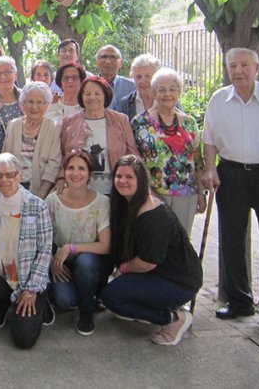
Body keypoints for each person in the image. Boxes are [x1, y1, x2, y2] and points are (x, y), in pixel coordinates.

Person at [200, 47, 259, 334]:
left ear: (256, 67)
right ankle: (239, 301)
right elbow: (209, 139)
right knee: (231, 240)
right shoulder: (219, 99)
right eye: (232, 66)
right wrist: (210, 168)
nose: (238, 71)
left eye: (243, 65)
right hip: (231, 174)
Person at [101, 156, 202, 346]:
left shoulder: (154, 215)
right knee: (118, 293)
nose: (122, 181)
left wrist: (121, 269)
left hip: (178, 281)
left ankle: (173, 319)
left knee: (112, 297)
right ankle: (145, 306)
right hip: (156, 275)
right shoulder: (126, 204)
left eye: (129, 177)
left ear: (141, 180)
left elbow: (148, 262)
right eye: (119, 176)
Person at [0, 153, 53, 349]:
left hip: (30, 280)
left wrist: (31, 290)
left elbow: (45, 250)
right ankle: (4, 304)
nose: (4, 180)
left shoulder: (37, 206)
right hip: (3, 275)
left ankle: (42, 302)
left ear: (20, 175)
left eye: (10, 174)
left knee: (23, 340)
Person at [131, 68, 205, 236]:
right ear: (154, 92)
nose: (167, 94)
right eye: (161, 89)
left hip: (186, 193)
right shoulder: (140, 122)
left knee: (180, 242)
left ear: (179, 92)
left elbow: (198, 161)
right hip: (151, 193)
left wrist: (201, 193)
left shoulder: (189, 123)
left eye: (172, 89)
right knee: (154, 244)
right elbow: (135, 161)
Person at [46, 150, 111, 336]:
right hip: (62, 262)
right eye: (71, 168)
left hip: (91, 262)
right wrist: (51, 259)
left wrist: (71, 247)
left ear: (90, 174)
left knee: (85, 262)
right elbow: (40, 236)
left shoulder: (102, 203)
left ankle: (87, 311)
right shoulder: (52, 201)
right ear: (64, 172)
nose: (76, 173)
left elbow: (106, 245)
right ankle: (78, 292)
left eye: (81, 168)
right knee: (64, 301)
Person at [60, 76, 138, 195]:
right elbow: (62, 155)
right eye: (87, 93)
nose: (92, 97)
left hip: (115, 190)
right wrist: (60, 178)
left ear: (105, 96)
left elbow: (133, 154)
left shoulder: (121, 120)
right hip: (79, 191)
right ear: (81, 96)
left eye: (97, 93)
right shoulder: (69, 122)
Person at [3, 81, 61, 198]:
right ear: (22, 103)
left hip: (41, 188)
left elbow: (54, 163)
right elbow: (6, 158)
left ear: (47, 105)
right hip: (13, 188)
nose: (34, 107)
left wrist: (42, 193)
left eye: (40, 102)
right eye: (30, 101)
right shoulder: (13, 125)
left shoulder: (54, 128)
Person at [114, 53, 161, 120]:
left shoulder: (168, 99)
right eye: (138, 77)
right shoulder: (125, 104)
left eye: (148, 76)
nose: (143, 81)